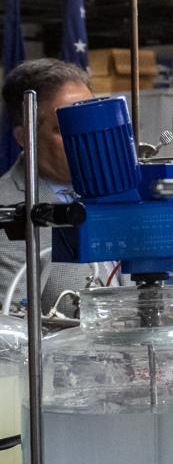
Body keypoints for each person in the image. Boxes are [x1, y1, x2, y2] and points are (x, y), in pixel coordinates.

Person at [0, 58, 111, 315]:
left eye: (90, 121)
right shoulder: (7, 209)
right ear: (24, 137)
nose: (87, 137)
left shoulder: (117, 193)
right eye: (66, 128)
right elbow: (10, 334)